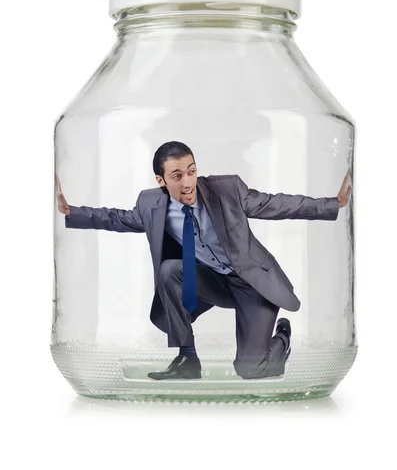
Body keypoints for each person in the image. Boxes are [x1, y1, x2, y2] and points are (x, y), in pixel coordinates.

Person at [55, 140, 352, 380]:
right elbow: (117, 218)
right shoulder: (151, 204)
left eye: (191, 171)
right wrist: (71, 212)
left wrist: (332, 204)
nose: (187, 182)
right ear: (161, 180)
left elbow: (275, 204)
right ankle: (187, 359)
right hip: (214, 283)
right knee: (170, 269)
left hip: (253, 283)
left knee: (252, 370)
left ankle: (282, 337)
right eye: (177, 176)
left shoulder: (227, 189)